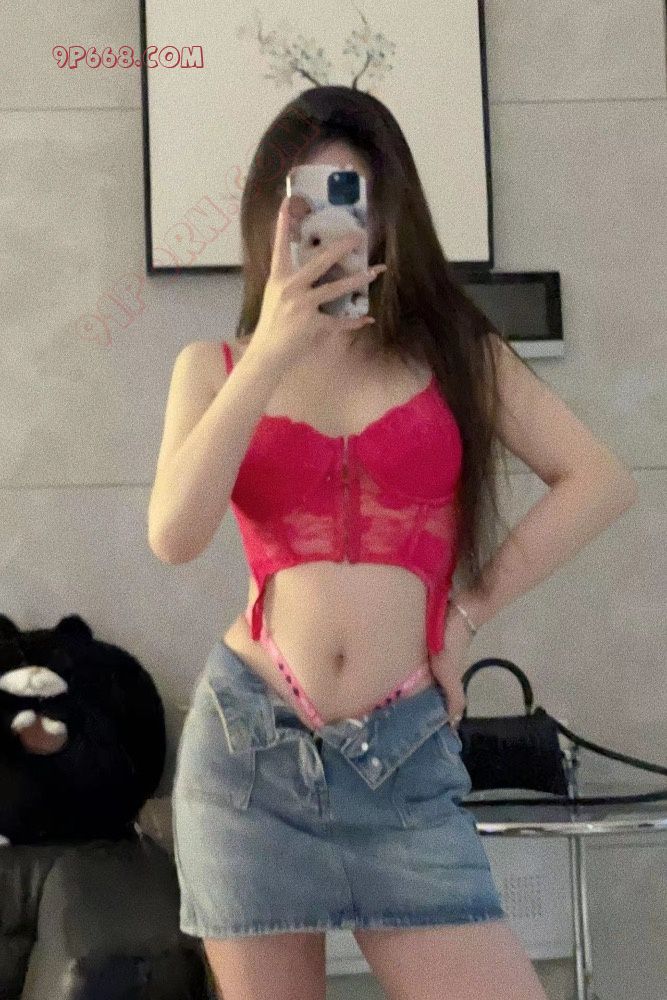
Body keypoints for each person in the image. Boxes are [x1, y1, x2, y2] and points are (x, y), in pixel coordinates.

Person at [148, 86, 638, 1000]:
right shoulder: (214, 369)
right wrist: (271, 349)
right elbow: (175, 536)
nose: (334, 228)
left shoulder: (457, 355)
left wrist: (465, 614)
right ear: (270, 218)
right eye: (308, 202)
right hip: (250, 753)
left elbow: (599, 481)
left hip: (401, 756)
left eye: (353, 199)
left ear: (388, 215)